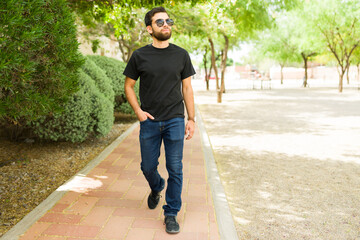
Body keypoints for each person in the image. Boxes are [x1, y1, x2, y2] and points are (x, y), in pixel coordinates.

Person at [123, 6, 196, 234]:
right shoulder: (139, 55)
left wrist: (191, 118)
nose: (166, 25)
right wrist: (138, 112)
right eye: (160, 22)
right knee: (147, 166)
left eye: (168, 21)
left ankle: (171, 213)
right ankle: (157, 186)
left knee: (175, 168)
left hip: (175, 119)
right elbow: (129, 86)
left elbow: (187, 88)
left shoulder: (181, 55)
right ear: (149, 28)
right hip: (150, 121)